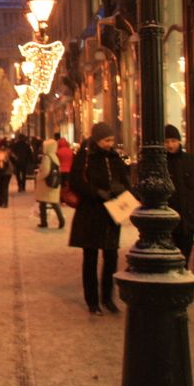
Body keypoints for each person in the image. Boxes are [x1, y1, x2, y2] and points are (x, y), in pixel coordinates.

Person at [68, 122, 130, 315]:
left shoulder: (115, 157)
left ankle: (108, 298)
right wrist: (97, 192)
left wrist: (122, 190)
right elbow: (76, 182)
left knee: (111, 256)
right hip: (91, 213)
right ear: (97, 140)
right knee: (91, 257)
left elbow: (125, 179)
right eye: (106, 140)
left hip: (112, 213)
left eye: (111, 140)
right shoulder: (85, 157)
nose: (109, 144)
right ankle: (92, 301)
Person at [164, 125, 194, 267]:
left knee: (184, 258)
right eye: (166, 141)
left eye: (173, 141)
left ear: (179, 141)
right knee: (170, 261)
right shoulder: (161, 163)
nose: (170, 145)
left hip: (188, 220)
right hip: (169, 221)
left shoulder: (192, 161)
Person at [34, 138, 65, 229]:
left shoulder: (46, 157)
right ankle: (60, 220)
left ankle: (44, 222)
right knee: (53, 202)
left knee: (44, 203)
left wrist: (38, 176)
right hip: (53, 182)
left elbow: (45, 171)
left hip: (45, 184)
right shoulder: (54, 156)